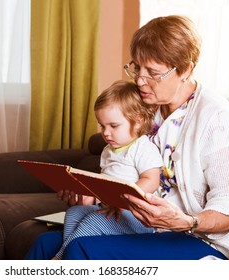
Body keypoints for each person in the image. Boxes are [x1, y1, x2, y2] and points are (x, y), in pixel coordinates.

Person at [25, 15, 229, 260]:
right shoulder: (145, 109)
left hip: (205, 239)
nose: (140, 80)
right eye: (137, 67)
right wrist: (89, 192)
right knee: (45, 243)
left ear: (186, 70)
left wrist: (185, 221)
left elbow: (228, 213)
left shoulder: (217, 118)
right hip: (151, 228)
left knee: (82, 249)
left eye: (153, 72)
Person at [52, 80, 163, 259]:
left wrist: (122, 199)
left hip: (137, 218)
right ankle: (70, 252)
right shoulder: (107, 150)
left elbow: (152, 179)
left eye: (113, 126)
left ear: (138, 121)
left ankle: (61, 257)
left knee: (93, 220)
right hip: (110, 210)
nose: (106, 133)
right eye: (102, 126)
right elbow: (104, 184)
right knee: (73, 213)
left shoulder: (142, 147)